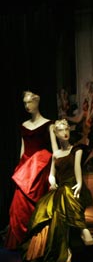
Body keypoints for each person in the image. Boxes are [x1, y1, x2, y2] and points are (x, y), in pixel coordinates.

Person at [17, 119, 93, 262]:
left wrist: (79, 183)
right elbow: (52, 175)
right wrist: (51, 181)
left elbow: (77, 168)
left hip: (75, 187)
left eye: (66, 129)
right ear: (56, 134)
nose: (64, 132)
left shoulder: (77, 150)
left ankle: (82, 231)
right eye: (60, 130)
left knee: (65, 194)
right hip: (61, 188)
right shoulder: (56, 155)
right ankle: (64, 251)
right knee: (45, 206)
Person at [4, 91, 57, 250]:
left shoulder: (49, 124)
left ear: (37, 102)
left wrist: (52, 174)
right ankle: (21, 239)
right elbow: (23, 149)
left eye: (29, 102)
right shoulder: (23, 125)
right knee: (18, 204)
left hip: (40, 167)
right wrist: (19, 168)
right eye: (25, 103)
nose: (27, 106)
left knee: (39, 204)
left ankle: (37, 241)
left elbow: (55, 151)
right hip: (26, 168)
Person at [63, 81, 93, 172]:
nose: (85, 91)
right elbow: (78, 119)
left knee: (92, 155)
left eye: (88, 89)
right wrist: (67, 117)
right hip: (86, 130)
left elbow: (89, 119)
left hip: (92, 131)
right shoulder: (86, 102)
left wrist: (90, 102)